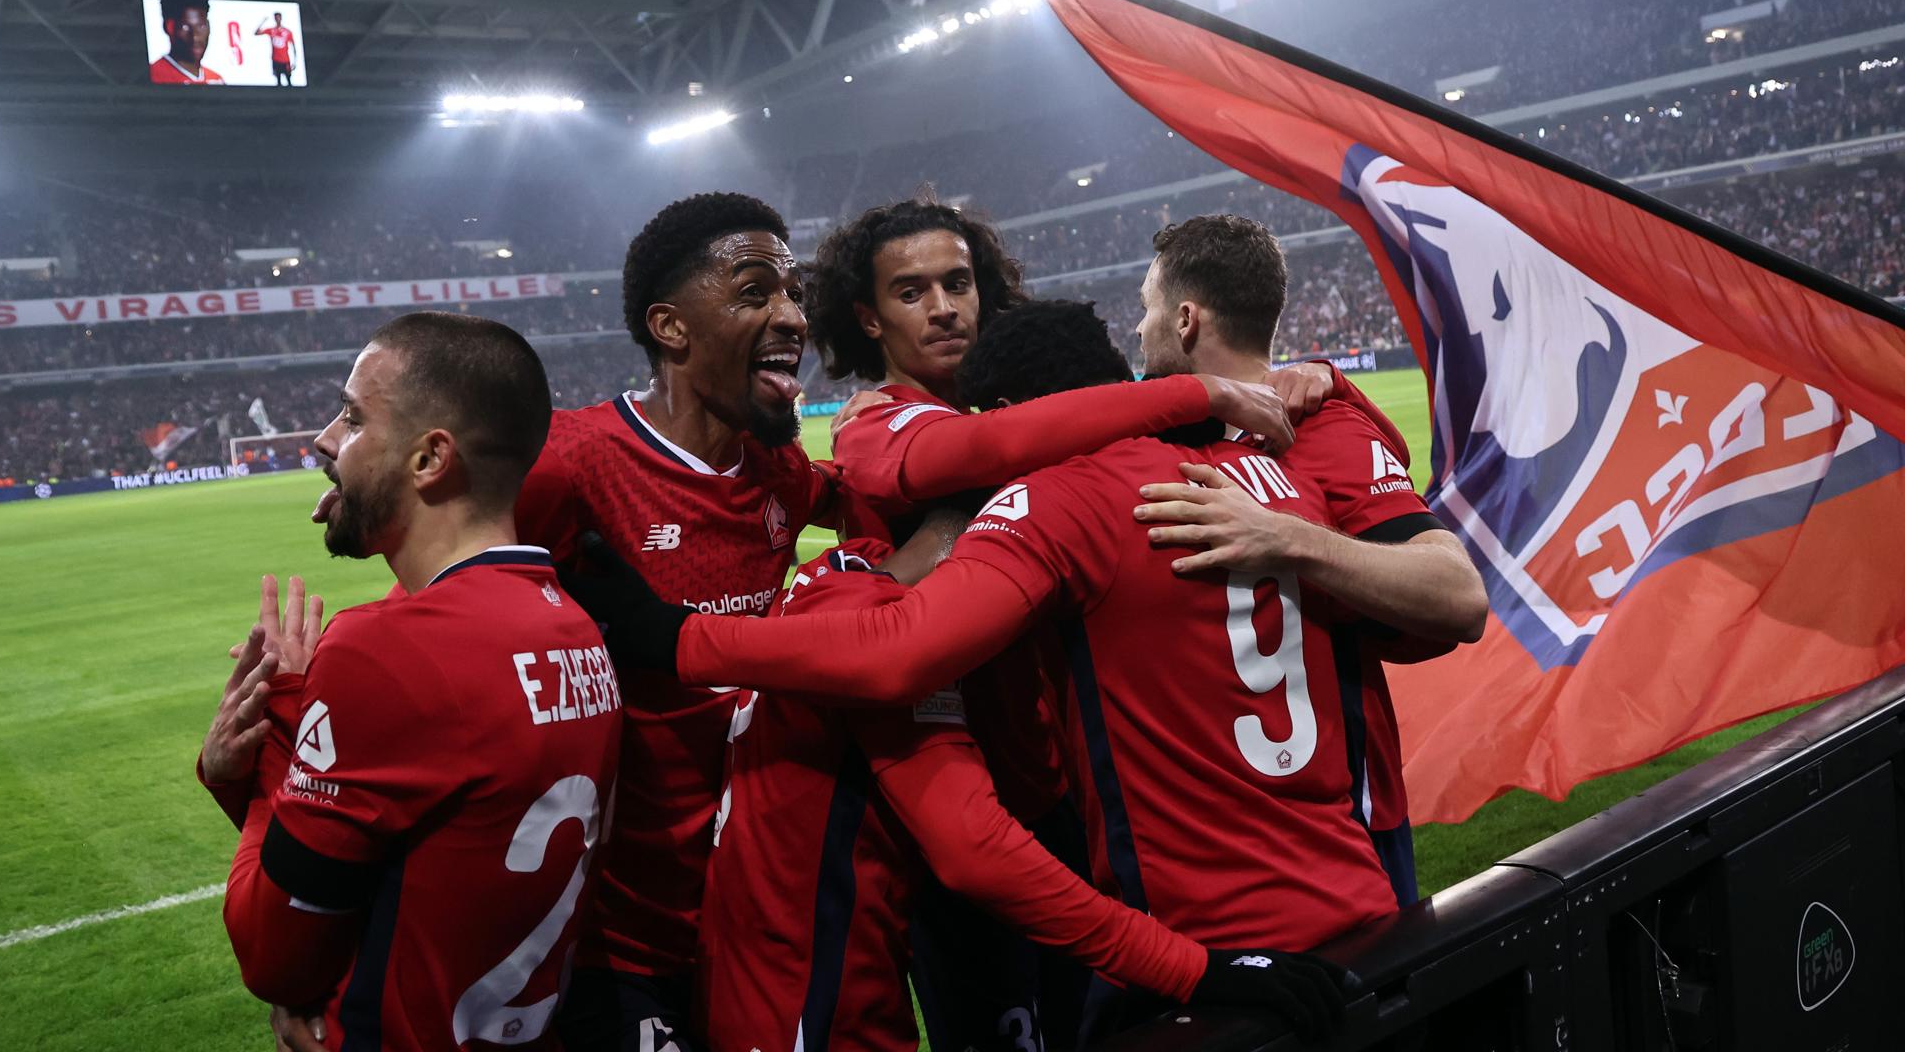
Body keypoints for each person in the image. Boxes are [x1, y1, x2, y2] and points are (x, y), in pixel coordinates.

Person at [592, 299, 1449, 1028]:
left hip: (1208, 948)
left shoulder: (1057, 500)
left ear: (1001, 415)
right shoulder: (1268, 484)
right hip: (1361, 901)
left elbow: (901, 653)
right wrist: (1335, 386)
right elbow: (1435, 617)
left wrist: (667, 636)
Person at [804, 192, 1312, 1049]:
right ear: (868, 317)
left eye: (958, 282)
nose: (942, 307)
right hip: (961, 788)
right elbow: (982, 454)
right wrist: (1193, 390)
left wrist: (1304, 377)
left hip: (1066, 787)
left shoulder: (1015, 407)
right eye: (911, 292)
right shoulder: (878, 426)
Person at [688, 508, 1353, 1052]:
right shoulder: (891, 634)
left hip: (754, 984)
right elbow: (977, 853)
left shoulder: (831, 575)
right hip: (812, 1015)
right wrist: (1195, 968)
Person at [196, 311, 621, 1050]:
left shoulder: (383, 653)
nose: (327, 440)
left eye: (355, 419)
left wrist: (269, 754)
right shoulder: (577, 632)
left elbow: (275, 957)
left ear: (429, 460)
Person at [514, 192, 839, 1052]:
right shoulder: (570, 466)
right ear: (672, 327)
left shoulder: (776, 462)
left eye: (794, 291)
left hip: (758, 911)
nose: (792, 315)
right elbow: (443, 616)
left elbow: (879, 504)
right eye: (755, 290)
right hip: (620, 932)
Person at [1129, 215, 1488, 905]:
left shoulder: (1323, 430)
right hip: (1214, 842)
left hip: (1342, 829)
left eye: (1145, 313)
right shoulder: (1164, 436)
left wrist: (1288, 537)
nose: (1138, 333)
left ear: (1184, 320)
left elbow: (1458, 596)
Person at [149, 0, 227, 84]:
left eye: (201, 26)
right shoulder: (154, 75)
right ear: (168, 27)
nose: (195, 37)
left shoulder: (216, 79)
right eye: (185, 27)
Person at [255, 12, 299, 86]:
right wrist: (263, 21)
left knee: (288, 80)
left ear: (281, 18)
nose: (277, 19)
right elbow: (256, 33)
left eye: (278, 17)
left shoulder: (287, 32)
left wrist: (295, 61)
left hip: (285, 60)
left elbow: (293, 46)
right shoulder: (271, 30)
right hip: (276, 59)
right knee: (278, 80)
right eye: (276, 18)